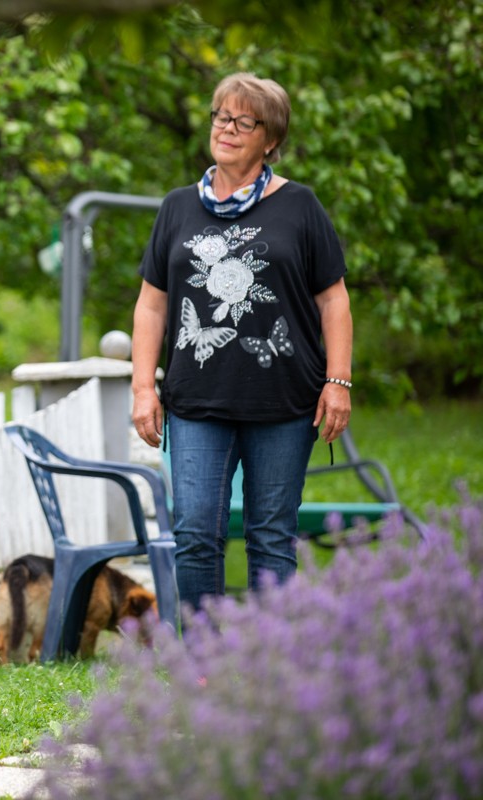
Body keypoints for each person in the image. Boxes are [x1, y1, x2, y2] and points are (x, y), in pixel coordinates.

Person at [131, 72, 353, 614]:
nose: (226, 129)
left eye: (243, 121)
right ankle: (205, 665)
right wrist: (143, 388)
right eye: (220, 117)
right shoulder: (178, 208)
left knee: (272, 538)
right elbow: (152, 304)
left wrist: (338, 381)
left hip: (283, 401)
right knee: (194, 533)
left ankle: (265, 669)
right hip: (196, 402)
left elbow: (335, 302)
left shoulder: (300, 207)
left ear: (270, 138)